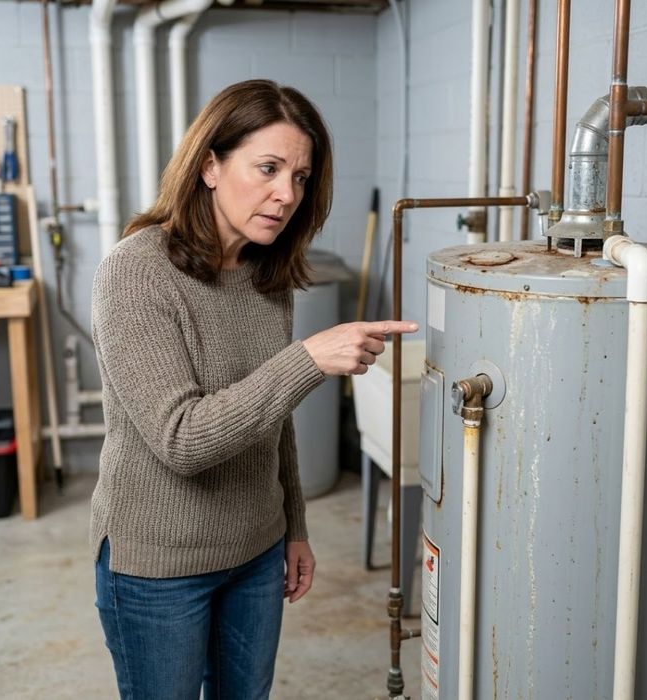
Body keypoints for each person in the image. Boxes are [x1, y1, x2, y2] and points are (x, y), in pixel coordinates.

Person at [90, 79, 417, 700]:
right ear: (209, 165)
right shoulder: (136, 272)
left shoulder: (268, 276)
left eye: (299, 177)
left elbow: (273, 418)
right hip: (160, 567)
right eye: (267, 168)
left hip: (257, 553)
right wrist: (307, 359)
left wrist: (293, 524)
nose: (285, 194)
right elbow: (181, 440)